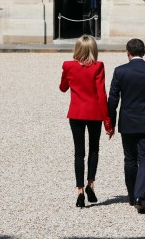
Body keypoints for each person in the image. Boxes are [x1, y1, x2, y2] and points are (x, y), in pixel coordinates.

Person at [108, 39, 145, 214]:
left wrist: (110, 122)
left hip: (127, 121)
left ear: (127, 53)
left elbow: (112, 100)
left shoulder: (120, 71)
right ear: (144, 53)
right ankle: (140, 196)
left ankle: (132, 194)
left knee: (130, 159)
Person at [59, 35, 114, 208]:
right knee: (94, 149)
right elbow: (101, 94)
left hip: (75, 113)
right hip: (94, 114)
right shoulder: (98, 66)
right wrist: (108, 122)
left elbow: (63, 88)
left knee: (78, 152)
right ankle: (90, 183)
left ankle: (80, 191)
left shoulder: (68, 66)